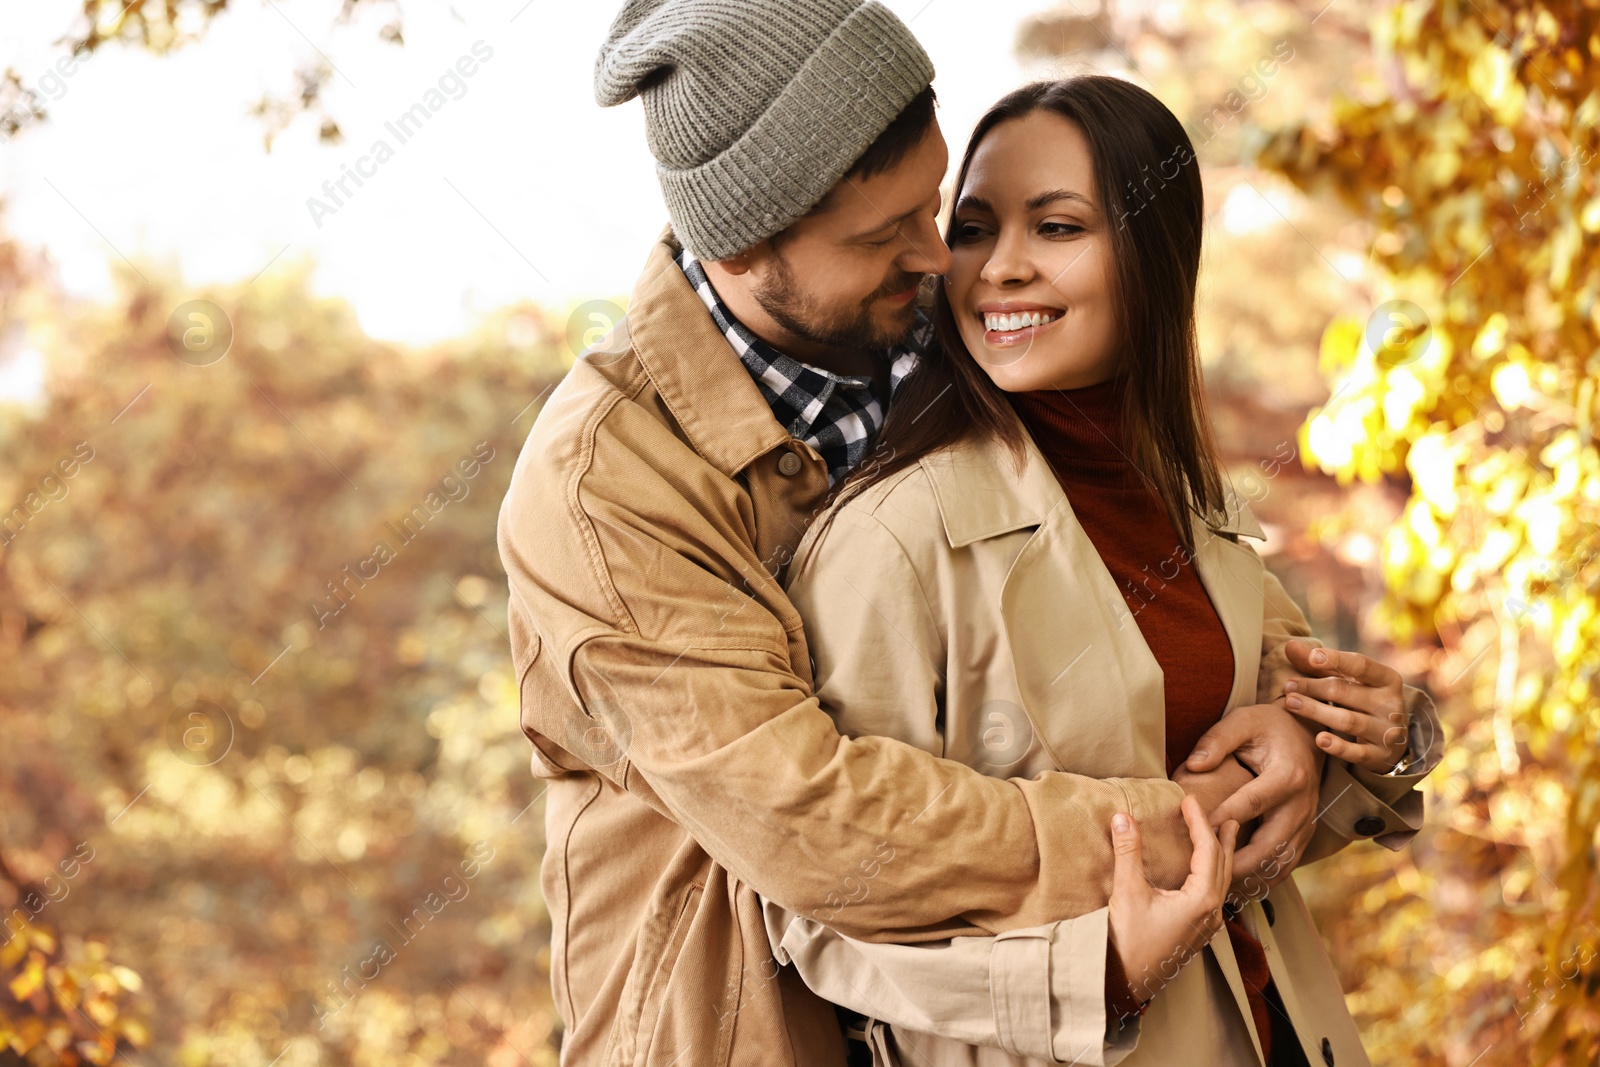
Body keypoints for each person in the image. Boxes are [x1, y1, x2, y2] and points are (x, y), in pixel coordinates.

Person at [496, 3, 1437, 1062]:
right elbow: (814, 821)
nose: (939, 256)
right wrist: (1184, 824)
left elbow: (1210, 659)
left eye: (936, 207)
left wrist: (1315, 740)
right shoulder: (606, 484)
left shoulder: (967, 351)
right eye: (883, 233)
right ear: (748, 241)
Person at [759, 76, 1442, 1067]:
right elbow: (822, 910)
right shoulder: (893, 534)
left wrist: (1367, 739)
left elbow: (1279, 784)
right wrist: (1102, 976)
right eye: (976, 228)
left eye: (1057, 227)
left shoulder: (1183, 498)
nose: (1000, 268)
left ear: (1152, 257)